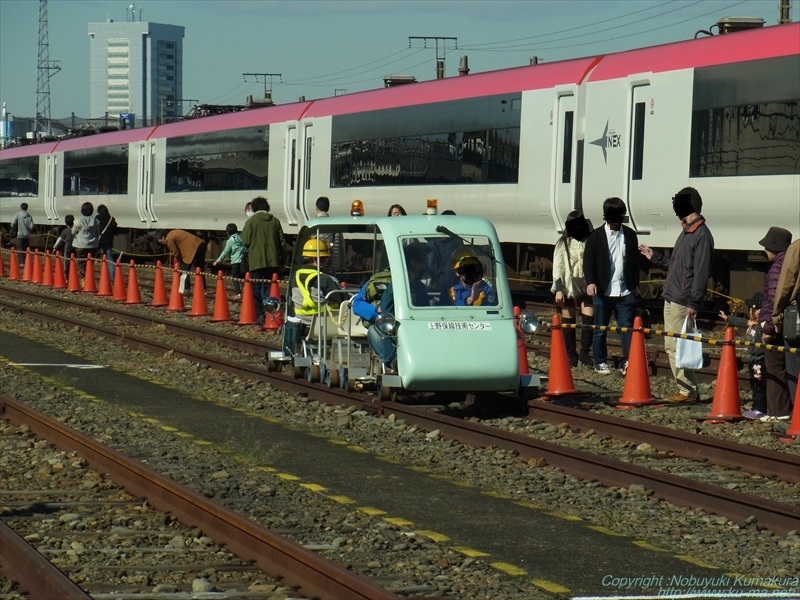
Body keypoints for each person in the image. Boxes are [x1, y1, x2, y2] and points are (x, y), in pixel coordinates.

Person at [639, 187, 714, 402]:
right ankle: (687, 390)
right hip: (673, 295)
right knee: (674, 345)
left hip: (681, 299)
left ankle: (687, 391)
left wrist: (693, 302)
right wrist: (656, 257)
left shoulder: (701, 235)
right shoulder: (687, 232)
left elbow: (700, 273)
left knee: (675, 346)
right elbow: (676, 266)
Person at [352, 242, 429, 374]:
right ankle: (395, 361)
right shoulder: (378, 281)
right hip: (386, 328)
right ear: (412, 262)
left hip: (412, 329)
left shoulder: (419, 287)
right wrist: (376, 312)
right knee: (373, 331)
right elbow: (357, 304)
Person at [583, 197, 639, 376]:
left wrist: (635, 285)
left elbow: (633, 263)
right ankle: (600, 361)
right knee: (600, 328)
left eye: (621, 215)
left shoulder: (630, 235)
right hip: (602, 289)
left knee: (626, 328)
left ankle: (628, 361)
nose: (618, 220)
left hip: (625, 289)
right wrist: (591, 282)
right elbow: (588, 262)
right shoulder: (596, 236)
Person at [756, 226, 793, 420]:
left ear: (775, 247)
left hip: (775, 326)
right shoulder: (786, 263)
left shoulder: (777, 268)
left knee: (774, 367)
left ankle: (779, 412)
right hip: (784, 324)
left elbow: (773, 299)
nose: (765, 250)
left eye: (767, 246)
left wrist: (766, 326)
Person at [552, 210, 594, 367]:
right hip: (567, 285)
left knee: (588, 319)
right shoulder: (562, 244)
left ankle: (584, 353)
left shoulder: (589, 241)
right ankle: (571, 354)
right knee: (568, 321)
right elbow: (557, 268)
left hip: (586, 284)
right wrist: (558, 289)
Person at [719, 293, 766, 420]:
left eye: (758, 309)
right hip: (753, 359)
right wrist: (727, 318)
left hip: (760, 360)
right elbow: (741, 322)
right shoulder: (752, 323)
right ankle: (757, 407)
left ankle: (760, 409)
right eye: (755, 310)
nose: (757, 312)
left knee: (759, 385)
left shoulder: (763, 326)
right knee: (754, 384)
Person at [241, 196, 286, 323]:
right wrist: (282, 259)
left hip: (256, 261)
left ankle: (259, 314)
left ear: (254, 208)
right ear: (267, 207)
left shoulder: (251, 222)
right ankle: (270, 314)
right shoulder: (275, 221)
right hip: (273, 261)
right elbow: (282, 242)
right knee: (269, 288)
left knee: (255, 289)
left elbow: (245, 241)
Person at [773, 238, 800, 405]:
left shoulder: (797, 247)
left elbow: (786, 282)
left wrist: (776, 313)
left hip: (797, 318)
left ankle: (797, 414)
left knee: (794, 362)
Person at [291, 239, 341, 325]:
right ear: (317, 260)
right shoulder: (326, 279)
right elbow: (344, 300)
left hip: (301, 325)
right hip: (325, 327)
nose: (326, 263)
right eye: (325, 259)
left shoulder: (295, 277)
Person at [212, 223, 247, 300]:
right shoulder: (241, 238)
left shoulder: (230, 241)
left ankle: (238, 293)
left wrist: (217, 261)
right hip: (243, 261)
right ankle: (246, 291)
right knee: (243, 277)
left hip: (235, 261)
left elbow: (225, 252)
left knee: (235, 278)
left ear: (227, 232)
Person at [314, 196, 344, 275]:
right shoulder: (336, 226)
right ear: (328, 208)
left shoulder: (312, 225)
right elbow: (342, 248)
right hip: (332, 266)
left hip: (316, 265)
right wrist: (341, 265)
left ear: (316, 207)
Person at [72, 202, 99, 276]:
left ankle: (83, 278)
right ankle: (89, 278)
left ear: (82, 210)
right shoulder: (95, 221)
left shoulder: (78, 221)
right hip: (93, 245)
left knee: (81, 263)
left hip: (80, 245)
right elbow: (98, 233)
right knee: (90, 263)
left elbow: (73, 232)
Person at [96, 204, 117, 281]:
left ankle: (98, 274)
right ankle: (112, 276)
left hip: (99, 241)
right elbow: (115, 230)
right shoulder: (112, 219)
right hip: (108, 241)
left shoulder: (98, 218)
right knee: (110, 258)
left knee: (92, 257)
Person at [10, 202, 34, 267]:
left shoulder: (17, 214)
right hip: (26, 236)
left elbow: (12, 224)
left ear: (21, 208)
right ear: (27, 208)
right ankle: (25, 262)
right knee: (25, 250)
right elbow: (31, 227)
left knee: (20, 249)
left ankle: (21, 263)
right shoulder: (29, 216)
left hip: (19, 235)